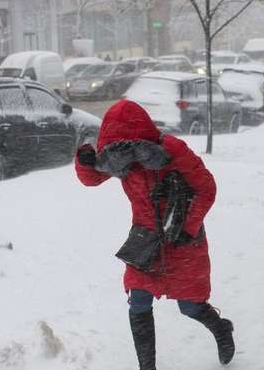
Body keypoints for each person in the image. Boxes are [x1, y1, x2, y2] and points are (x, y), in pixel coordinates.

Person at [74, 100, 235, 370]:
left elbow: (206, 187)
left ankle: (221, 328)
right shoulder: (120, 158)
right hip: (145, 240)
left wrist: (188, 227)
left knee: (190, 306)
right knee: (138, 300)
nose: (123, 156)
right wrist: (85, 160)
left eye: (126, 147)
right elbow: (91, 179)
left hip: (182, 240)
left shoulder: (171, 151)